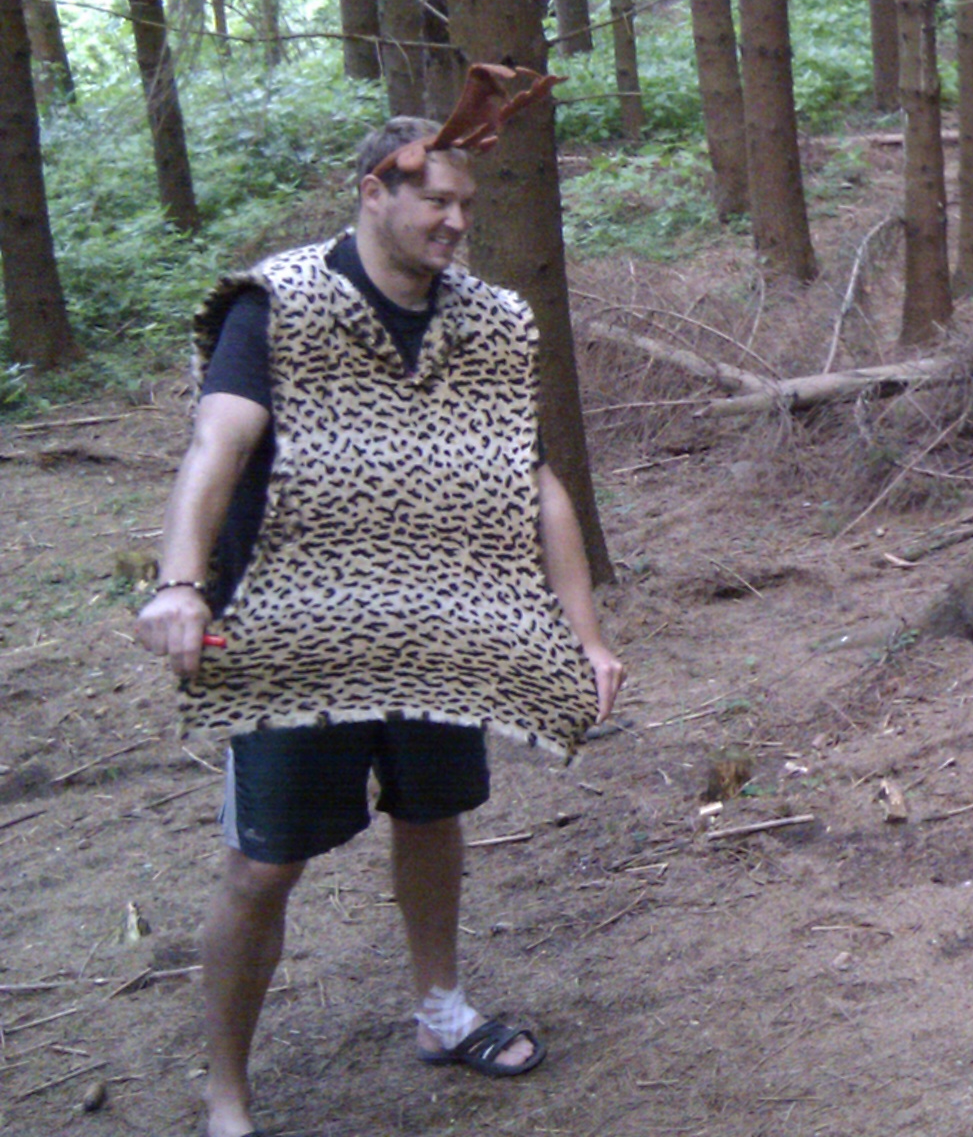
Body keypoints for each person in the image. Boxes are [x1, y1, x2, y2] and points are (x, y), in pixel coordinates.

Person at [131, 74, 627, 1137]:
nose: (455, 222)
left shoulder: (491, 322)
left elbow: (536, 481)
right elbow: (217, 443)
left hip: (444, 620)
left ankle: (442, 1011)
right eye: (435, 200)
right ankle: (226, 1094)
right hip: (290, 625)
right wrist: (178, 582)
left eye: (466, 205)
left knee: (434, 815)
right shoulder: (279, 302)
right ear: (374, 192)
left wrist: (584, 637)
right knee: (264, 863)